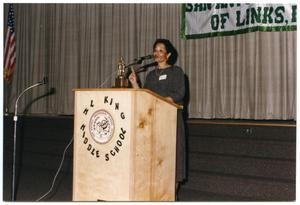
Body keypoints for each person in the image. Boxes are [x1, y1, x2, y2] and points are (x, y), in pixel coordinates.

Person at [129, 38, 186, 199]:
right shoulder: (151, 75)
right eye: (155, 50)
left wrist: (165, 100)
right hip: (154, 124)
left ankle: (171, 196)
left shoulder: (176, 72)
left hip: (171, 122)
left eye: (161, 50)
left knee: (172, 160)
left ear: (168, 55)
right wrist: (135, 85)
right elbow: (145, 97)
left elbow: (180, 93)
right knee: (155, 161)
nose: (157, 53)